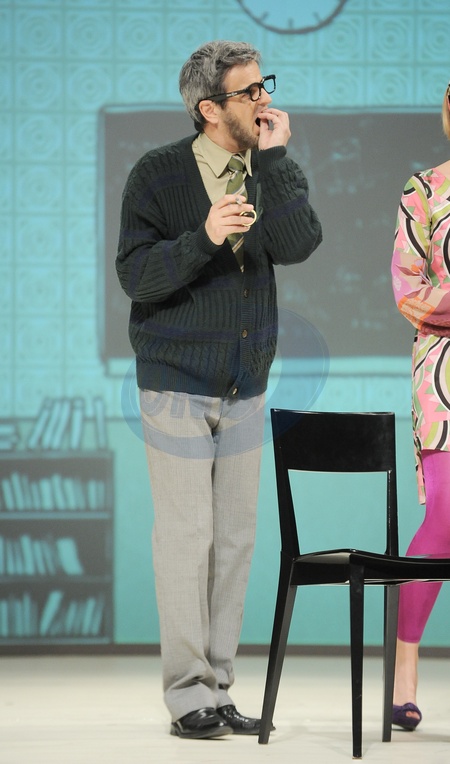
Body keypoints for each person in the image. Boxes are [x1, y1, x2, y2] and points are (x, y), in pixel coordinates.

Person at [116, 40, 322, 740]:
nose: (264, 100)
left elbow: (300, 244)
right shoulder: (158, 174)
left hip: (245, 383)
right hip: (175, 383)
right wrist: (203, 236)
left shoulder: (269, 168)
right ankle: (187, 696)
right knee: (187, 539)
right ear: (209, 108)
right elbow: (137, 276)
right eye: (249, 91)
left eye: (266, 85)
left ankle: (220, 687)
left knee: (234, 540)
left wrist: (277, 161)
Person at [391, 81, 450, 732]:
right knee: (447, 516)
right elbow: (408, 290)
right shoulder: (425, 190)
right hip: (444, 372)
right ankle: (405, 664)